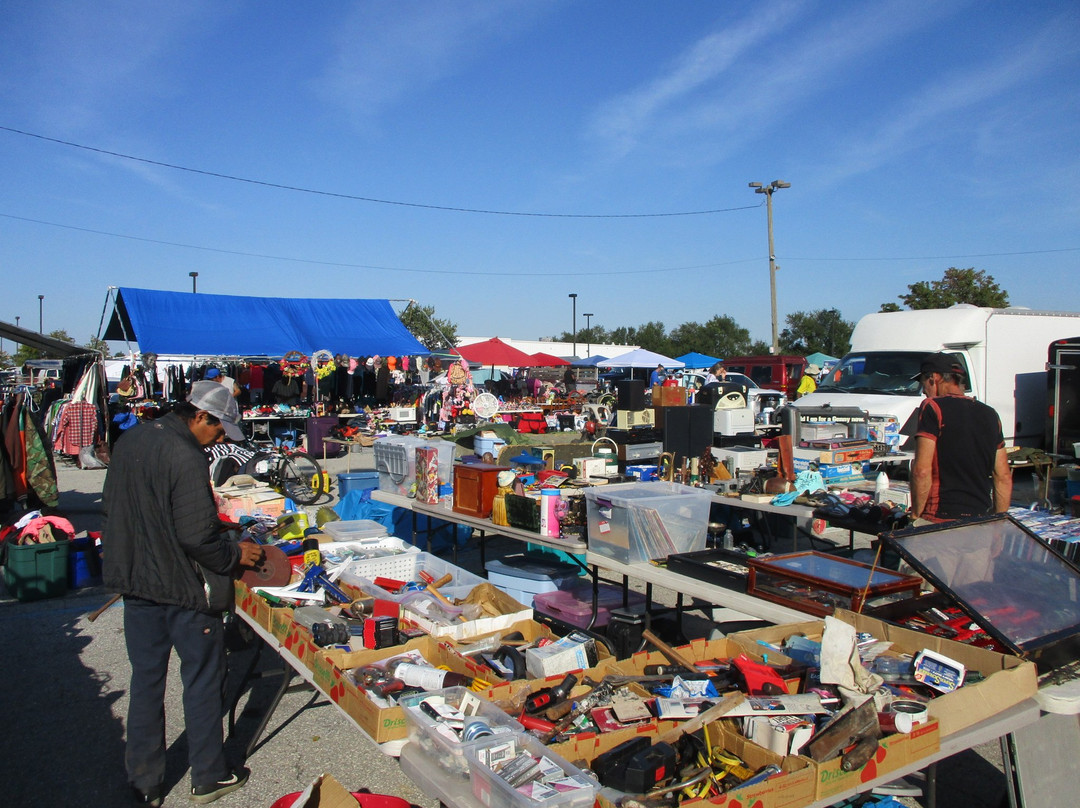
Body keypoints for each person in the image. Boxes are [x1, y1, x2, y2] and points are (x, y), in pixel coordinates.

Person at [102, 381, 265, 806]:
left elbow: (117, 509)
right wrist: (235, 553)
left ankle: (145, 782)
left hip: (136, 580)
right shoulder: (185, 453)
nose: (219, 440)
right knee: (203, 680)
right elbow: (196, 536)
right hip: (181, 588)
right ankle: (209, 774)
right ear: (200, 416)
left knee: (147, 681)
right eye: (218, 430)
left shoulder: (133, 438)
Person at [910, 353, 1012, 522]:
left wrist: (915, 515)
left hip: (939, 517)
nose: (924, 393)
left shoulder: (932, 406)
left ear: (933, 379)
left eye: (923, 385)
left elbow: (922, 470)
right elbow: (1003, 477)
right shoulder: (990, 414)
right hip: (979, 518)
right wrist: (998, 521)